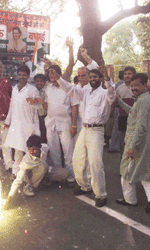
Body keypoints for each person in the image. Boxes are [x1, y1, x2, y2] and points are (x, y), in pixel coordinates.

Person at [50, 66, 116, 207]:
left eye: (95, 77)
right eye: (90, 77)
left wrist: (108, 79)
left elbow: (112, 95)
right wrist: (58, 79)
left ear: (100, 78)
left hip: (97, 131)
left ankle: (101, 195)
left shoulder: (105, 93)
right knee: (77, 159)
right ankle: (85, 186)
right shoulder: (85, 91)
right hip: (84, 130)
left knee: (95, 163)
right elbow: (70, 89)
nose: (92, 79)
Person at [115, 73, 150, 214]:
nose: (134, 88)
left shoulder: (142, 101)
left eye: (137, 85)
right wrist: (120, 102)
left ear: (145, 85)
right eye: (132, 85)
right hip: (142, 143)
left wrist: (132, 147)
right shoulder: (143, 99)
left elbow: (140, 126)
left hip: (136, 144)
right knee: (143, 173)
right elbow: (133, 114)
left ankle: (130, 199)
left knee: (126, 172)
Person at [43, 64, 79, 187]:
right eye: (50, 74)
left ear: (59, 74)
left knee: (68, 150)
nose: (51, 76)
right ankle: (58, 176)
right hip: (51, 122)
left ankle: (71, 178)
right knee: (54, 151)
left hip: (65, 123)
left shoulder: (68, 88)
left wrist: (74, 125)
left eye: (54, 73)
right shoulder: (48, 88)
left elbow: (74, 107)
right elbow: (48, 105)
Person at [4, 65, 42, 176]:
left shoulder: (32, 89)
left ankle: (31, 175)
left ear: (28, 76)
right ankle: (16, 173)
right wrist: (7, 121)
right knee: (17, 150)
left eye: (24, 75)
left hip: (29, 125)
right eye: (20, 75)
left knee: (30, 151)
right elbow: (12, 106)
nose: (21, 77)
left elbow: (40, 107)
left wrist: (33, 102)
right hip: (16, 124)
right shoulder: (15, 89)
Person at [116, 66, 136, 159]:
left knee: (133, 143)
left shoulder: (137, 88)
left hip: (135, 118)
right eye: (125, 74)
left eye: (129, 74)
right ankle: (123, 169)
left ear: (134, 75)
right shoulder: (119, 88)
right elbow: (116, 103)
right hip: (122, 118)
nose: (127, 76)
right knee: (122, 144)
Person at [34, 73, 47, 143]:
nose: (39, 83)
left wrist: (42, 102)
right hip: (34, 117)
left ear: (45, 82)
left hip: (43, 117)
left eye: (41, 81)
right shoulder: (33, 90)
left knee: (43, 136)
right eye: (37, 81)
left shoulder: (47, 91)